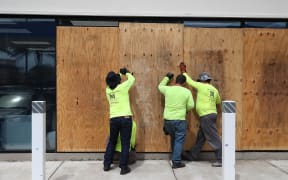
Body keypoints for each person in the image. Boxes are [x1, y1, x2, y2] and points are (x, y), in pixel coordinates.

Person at [179, 62, 222, 167]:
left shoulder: (201, 86)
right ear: (209, 80)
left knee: (213, 137)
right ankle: (193, 155)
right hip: (210, 115)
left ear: (202, 80)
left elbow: (189, 81)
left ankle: (221, 159)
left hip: (206, 116)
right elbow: (218, 102)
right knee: (201, 137)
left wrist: (183, 72)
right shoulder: (215, 90)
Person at [158, 72, 194, 169]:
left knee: (174, 139)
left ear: (175, 81)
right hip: (179, 120)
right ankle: (176, 161)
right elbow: (191, 105)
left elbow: (160, 86)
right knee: (179, 140)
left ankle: (175, 157)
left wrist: (167, 77)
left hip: (168, 120)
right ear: (184, 83)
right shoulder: (187, 92)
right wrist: (185, 109)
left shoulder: (168, 89)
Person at [103, 67, 135, 175]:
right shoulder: (123, 87)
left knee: (112, 141)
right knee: (125, 143)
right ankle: (123, 167)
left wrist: (119, 75)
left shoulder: (107, 90)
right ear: (118, 81)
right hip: (125, 118)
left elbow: (114, 81)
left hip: (113, 119)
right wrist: (126, 72)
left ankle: (106, 164)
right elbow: (132, 80)